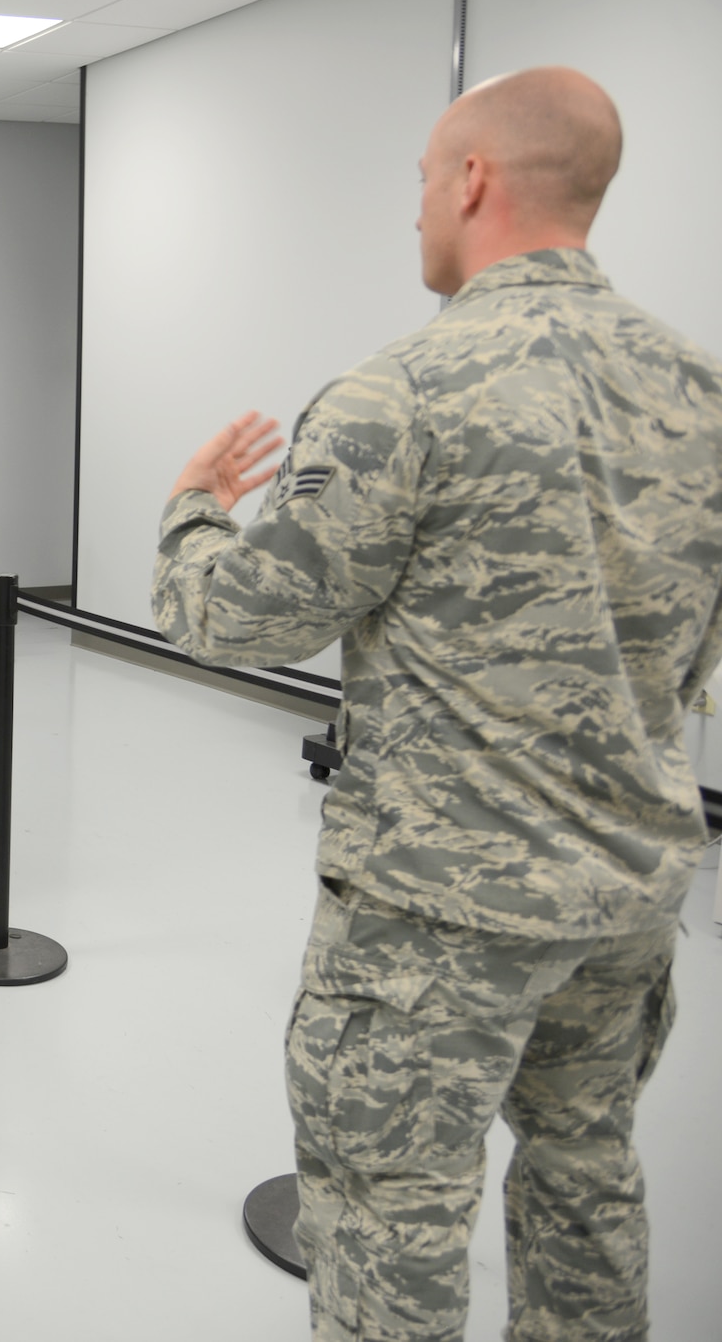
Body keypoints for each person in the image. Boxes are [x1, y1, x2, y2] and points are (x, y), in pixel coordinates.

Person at [150, 68, 722, 1342]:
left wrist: (191, 507)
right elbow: (691, 653)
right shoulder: (700, 394)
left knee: (385, 1210)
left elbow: (232, 616)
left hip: (434, 918)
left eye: (420, 178)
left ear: (470, 179)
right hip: (628, 895)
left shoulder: (403, 391)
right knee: (586, 1180)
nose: (414, 209)